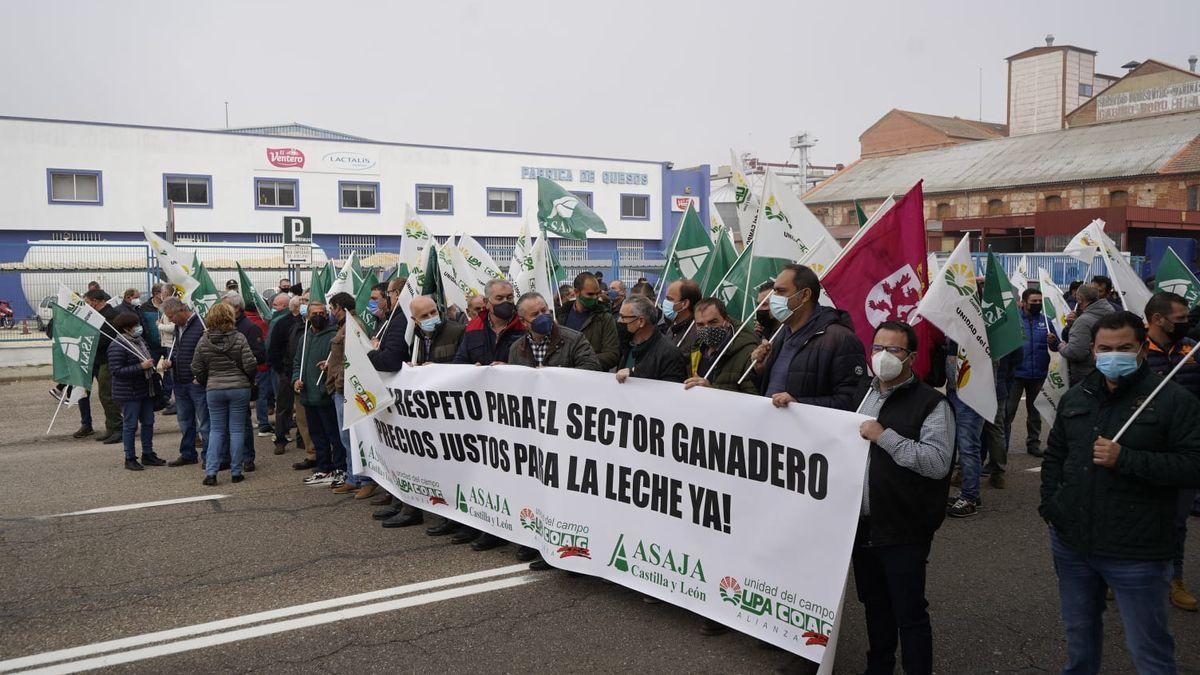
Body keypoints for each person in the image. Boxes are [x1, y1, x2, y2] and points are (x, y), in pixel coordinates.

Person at [1041, 311, 1200, 673]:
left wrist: (1126, 459)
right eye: (1105, 349)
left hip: (1138, 551)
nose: (1114, 355)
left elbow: (1193, 465)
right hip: (1073, 543)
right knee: (1079, 639)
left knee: (1151, 651)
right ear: (1093, 351)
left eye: (1124, 348)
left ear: (1143, 348)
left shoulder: (1172, 400)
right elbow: (1055, 457)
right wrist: (1052, 508)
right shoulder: (1078, 397)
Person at [854, 321, 955, 675]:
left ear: (911, 357)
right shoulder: (863, 394)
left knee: (908, 611)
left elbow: (937, 462)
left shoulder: (932, 404)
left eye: (894, 350)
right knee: (874, 604)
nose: (883, 356)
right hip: (863, 525)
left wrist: (886, 437)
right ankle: (878, 667)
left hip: (903, 526)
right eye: (878, 348)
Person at [508, 291, 601, 567]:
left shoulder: (572, 339)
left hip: (566, 431)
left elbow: (591, 371)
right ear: (524, 322)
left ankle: (562, 548)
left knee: (563, 493)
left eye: (545, 310)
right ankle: (536, 540)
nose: (543, 317)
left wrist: (551, 378)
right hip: (534, 431)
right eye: (535, 315)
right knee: (535, 488)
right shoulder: (517, 349)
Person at [1143, 291, 1200, 612]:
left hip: (1183, 453)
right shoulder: (1133, 351)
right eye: (1180, 319)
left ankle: (1174, 578)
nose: (1186, 324)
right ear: (1157, 319)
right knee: (1135, 514)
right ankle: (1116, 573)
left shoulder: (1193, 350)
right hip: (1141, 450)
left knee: (1177, 521)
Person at [752, 263, 868, 411]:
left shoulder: (840, 339)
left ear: (805, 295)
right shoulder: (782, 334)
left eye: (781, 291)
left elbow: (852, 401)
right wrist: (760, 370)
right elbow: (771, 390)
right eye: (774, 292)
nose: (774, 299)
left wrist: (799, 404)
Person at [191, 302, 257, 486]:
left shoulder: (204, 340)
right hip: (239, 388)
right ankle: (236, 471)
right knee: (236, 430)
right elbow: (250, 363)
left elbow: (196, 366)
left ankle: (211, 471)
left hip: (214, 388)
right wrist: (248, 377)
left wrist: (207, 380)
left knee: (216, 431)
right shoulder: (239, 338)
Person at [324, 292, 379, 500]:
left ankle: (366, 480)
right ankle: (352, 477)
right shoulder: (345, 325)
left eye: (331, 308)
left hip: (347, 389)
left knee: (353, 437)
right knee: (346, 436)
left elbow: (355, 358)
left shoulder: (353, 326)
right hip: (341, 387)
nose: (330, 313)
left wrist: (339, 380)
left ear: (339, 307)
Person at [292, 300, 345, 486]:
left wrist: (327, 379)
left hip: (325, 395)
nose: (318, 316)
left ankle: (340, 468)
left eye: (322, 313)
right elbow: (297, 362)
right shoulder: (304, 338)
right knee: (317, 435)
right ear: (307, 316)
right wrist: (295, 381)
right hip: (308, 396)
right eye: (314, 313)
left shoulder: (333, 336)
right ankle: (324, 467)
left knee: (334, 435)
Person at [107, 312, 164, 471]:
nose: (138, 328)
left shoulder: (140, 341)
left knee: (148, 422)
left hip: (145, 389)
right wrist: (141, 367)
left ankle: (148, 453)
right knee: (130, 425)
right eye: (135, 325)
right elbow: (116, 371)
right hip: (129, 392)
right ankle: (130, 457)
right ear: (126, 328)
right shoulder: (117, 345)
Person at [160, 298, 209, 467]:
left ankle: (209, 456)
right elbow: (179, 351)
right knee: (185, 421)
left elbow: (208, 353)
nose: (171, 320)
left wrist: (201, 375)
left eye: (171, 316)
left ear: (181, 311)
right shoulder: (178, 328)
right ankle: (188, 453)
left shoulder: (201, 325)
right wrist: (170, 361)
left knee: (204, 422)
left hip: (196, 382)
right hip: (179, 381)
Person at [223, 292, 266, 472]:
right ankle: (228, 456)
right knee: (224, 423)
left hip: (241, 381)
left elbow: (260, 355)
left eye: (225, 306)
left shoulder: (249, 328)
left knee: (243, 422)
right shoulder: (223, 327)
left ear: (237, 308)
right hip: (223, 382)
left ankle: (247, 457)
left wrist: (238, 361)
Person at [1006, 289, 1051, 458]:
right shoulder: (1013, 321)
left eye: (1040, 301)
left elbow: (1055, 347)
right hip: (1016, 375)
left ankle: (1033, 443)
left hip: (1038, 374)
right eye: (1034, 301)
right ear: (1024, 302)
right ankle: (1002, 445)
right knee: (1008, 412)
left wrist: (1054, 342)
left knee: (1034, 412)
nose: (1038, 304)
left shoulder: (1046, 322)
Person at [682, 298, 758, 394]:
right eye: (700, 325)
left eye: (713, 322)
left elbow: (752, 397)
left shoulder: (746, 351)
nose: (707, 329)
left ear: (726, 321)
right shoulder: (697, 348)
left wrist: (713, 391)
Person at [453, 279, 525, 367]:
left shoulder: (524, 324)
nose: (505, 302)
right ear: (486, 302)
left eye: (509, 298)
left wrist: (509, 367)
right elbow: (459, 362)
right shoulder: (473, 327)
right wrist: (472, 368)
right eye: (499, 298)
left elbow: (535, 364)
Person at [615, 296, 686, 384]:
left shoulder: (668, 354)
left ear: (641, 321)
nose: (619, 321)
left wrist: (635, 377)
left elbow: (671, 392)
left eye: (623, 317)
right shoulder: (628, 344)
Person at [83, 289, 123, 444]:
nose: (87, 305)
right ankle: (111, 428)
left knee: (108, 395)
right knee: (105, 396)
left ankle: (118, 428)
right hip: (101, 360)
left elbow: (106, 340)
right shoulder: (99, 315)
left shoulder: (109, 316)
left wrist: (88, 342)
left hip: (108, 360)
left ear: (95, 301)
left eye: (87, 302)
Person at [559, 272, 620, 371]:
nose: (595, 297)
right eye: (590, 294)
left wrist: (583, 363)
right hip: (564, 377)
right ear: (576, 292)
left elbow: (612, 355)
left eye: (597, 293)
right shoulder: (561, 316)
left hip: (593, 378)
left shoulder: (605, 318)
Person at [1060, 284, 1115, 385]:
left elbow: (1076, 353)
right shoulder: (1112, 313)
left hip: (1086, 376)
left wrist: (1062, 347)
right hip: (1109, 372)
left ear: (1079, 299)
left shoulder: (1083, 321)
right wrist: (1072, 326)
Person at [264, 293, 294, 454]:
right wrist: (280, 368)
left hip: (296, 370)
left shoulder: (301, 322)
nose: (273, 308)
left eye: (276, 305)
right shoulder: (280, 323)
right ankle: (280, 437)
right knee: (283, 405)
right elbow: (272, 348)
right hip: (285, 370)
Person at [366, 279, 411, 372]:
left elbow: (390, 360)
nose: (388, 296)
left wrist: (370, 352)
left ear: (397, 293)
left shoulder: (400, 319)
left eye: (388, 293)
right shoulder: (393, 317)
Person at [661, 279, 701, 357]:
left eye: (670, 299)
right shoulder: (672, 328)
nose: (665, 302)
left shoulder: (696, 331)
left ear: (684, 304)